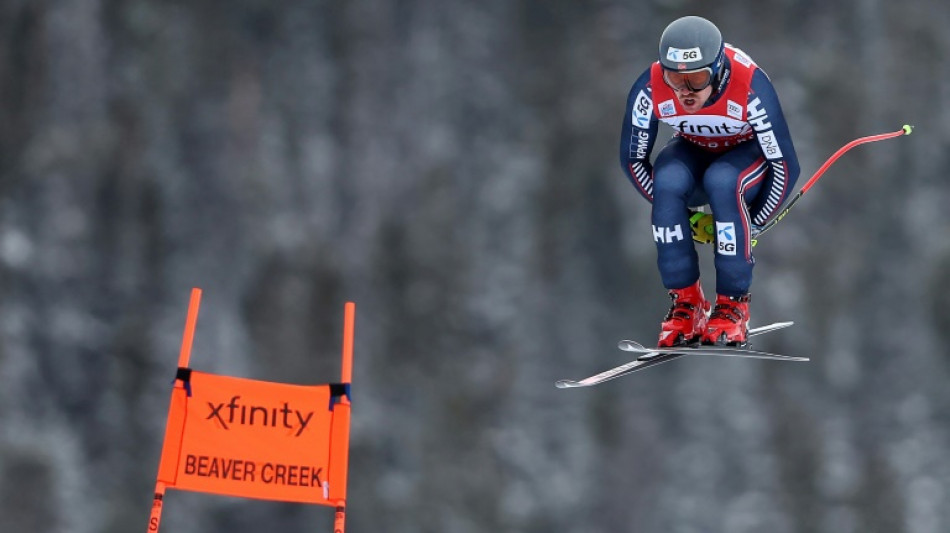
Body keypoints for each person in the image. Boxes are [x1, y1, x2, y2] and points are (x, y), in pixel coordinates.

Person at [619, 15, 800, 347]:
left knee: (723, 180)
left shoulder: (749, 85)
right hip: (694, 149)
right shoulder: (650, 87)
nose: (685, 92)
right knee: (668, 180)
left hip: (747, 156)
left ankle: (733, 305)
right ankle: (687, 303)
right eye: (675, 78)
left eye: (697, 79)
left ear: (718, 70)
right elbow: (633, 159)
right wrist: (680, 217)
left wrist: (754, 221)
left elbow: (786, 165)